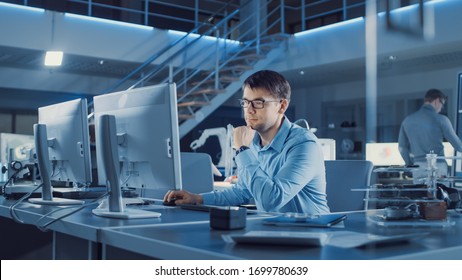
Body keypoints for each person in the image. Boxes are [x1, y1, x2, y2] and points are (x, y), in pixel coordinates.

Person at [164, 70, 330, 214]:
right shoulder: (254, 142)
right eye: (245, 102)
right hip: (274, 232)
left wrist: (243, 150)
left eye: (258, 102)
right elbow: (242, 192)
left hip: (311, 233)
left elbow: (271, 200)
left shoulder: (303, 144)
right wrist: (197, 199)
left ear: (282, 106)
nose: (249, 110)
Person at [398, 89, 462, 183]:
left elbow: (402, 148)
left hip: (418, 167)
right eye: (442, 104)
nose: (441, 108)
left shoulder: (407, 120)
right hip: (437, 167)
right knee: (440, 197)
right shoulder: (441, 119)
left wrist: (410, 164)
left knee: (421, 196)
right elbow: (458, 145)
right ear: (436, 101)